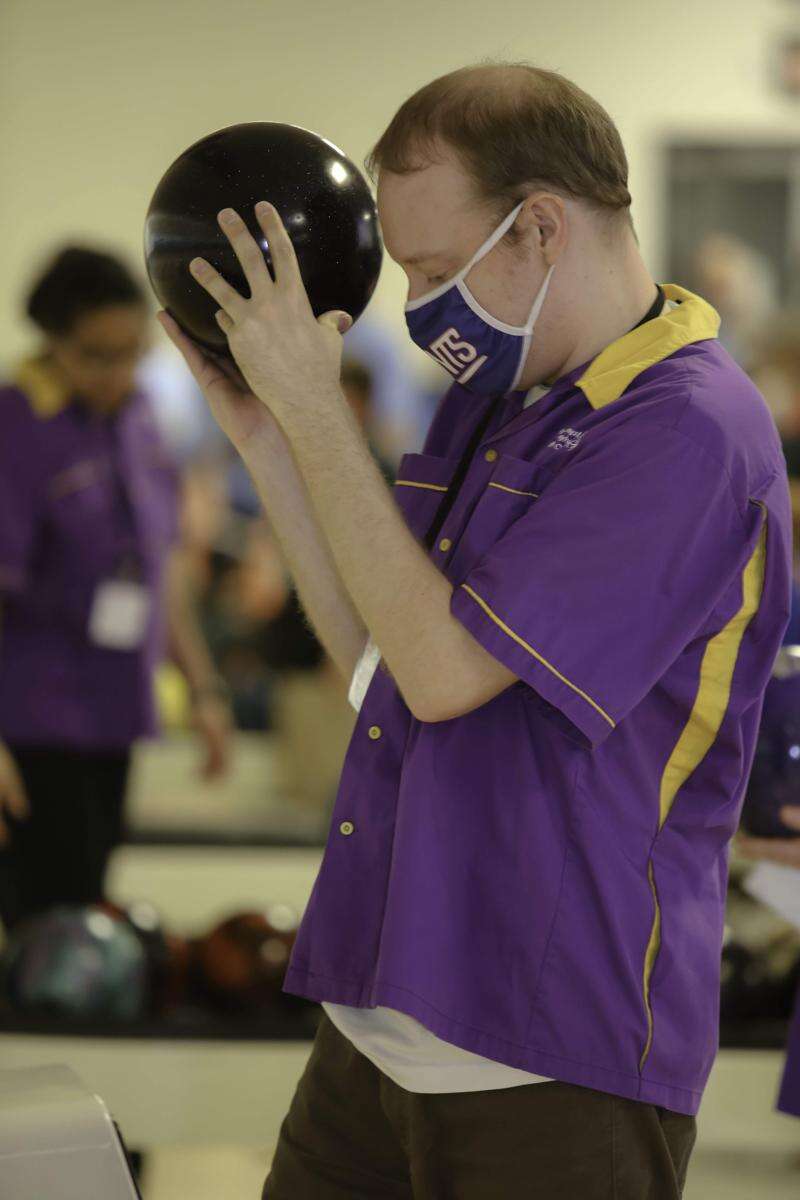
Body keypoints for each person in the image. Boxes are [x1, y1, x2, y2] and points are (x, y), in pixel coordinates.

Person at [159, 63, 792, 1200]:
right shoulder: (497, 403)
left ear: (538, 226)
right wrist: (265, 438)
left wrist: (317, 408)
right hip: (381, 1014)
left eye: (436, 269)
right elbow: (379, 656)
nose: (415, 304)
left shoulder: (689, 429)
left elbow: (447, 675)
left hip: (550, 1045)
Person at [0, 246, 232, 933]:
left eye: (133, 352)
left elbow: (157, 573)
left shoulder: (138, 419)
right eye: (96, 354)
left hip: (112, 716)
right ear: (54, 341)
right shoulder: (17, 427)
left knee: (80, 923)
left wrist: (205, 688)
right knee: (38, 938)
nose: (118, 372)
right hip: (30, 724)